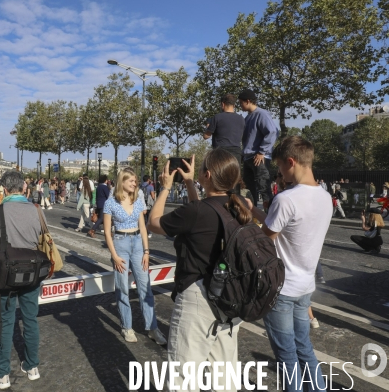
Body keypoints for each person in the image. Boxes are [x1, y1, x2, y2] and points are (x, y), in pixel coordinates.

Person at [147, 150, 248, 390]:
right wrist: (192, 182)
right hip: (231, 297)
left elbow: (154, 222)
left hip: (198, 297)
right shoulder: (241, 207)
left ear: (208, 175)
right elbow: (203, 212)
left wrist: (165, 187)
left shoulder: (197, 212)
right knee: (224, 379)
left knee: (184, 378)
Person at [249, 136, 331, 391]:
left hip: (281, 288)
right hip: (305, 286)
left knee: (286, 357)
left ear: (291, 162)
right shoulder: (325, 197)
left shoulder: (286, 199)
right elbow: (281, 226)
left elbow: (265, 239)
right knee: (304, 348)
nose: (279, 172)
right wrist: (253, 209)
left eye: (280, 167)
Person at [0, 171, 45, 388]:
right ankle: (32, 365)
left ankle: (2, 373)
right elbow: (41, 237)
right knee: (30, 319)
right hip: (32, 271)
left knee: (6, 321)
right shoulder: (37, 210)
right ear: (24, 188)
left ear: (5, 190)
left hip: (5, 274)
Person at [103, 167, 167, 346]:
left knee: (145, 287)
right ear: (122, 181)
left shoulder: (138, 200)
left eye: (135, 181)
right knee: (122, 288)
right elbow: (107, 232)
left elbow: (144, 227)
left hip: (138, 243)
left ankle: (152, 328)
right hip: (120, 244)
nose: (134, 183)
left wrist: (147, 251)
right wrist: (114, 256)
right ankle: (127, 327)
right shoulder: (111, 203)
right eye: (131, 180)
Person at [239, 89, 278, 210]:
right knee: (250, 190)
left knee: (264, 187)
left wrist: (262, 151)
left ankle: (270, 218)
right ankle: (252, 217)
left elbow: (272, 132)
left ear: (248, 101)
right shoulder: (248, 117)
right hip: (248, 158)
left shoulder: (262, 114)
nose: (240, 106)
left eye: (241, 102)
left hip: (259, 157)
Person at [203, 93, 245, 166]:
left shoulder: (217, 117)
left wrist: (208, 127)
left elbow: (206, 136)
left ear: (222, 104)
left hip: (220, 153)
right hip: (236, 153)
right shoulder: (241, 119)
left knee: (219, 175)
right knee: (234, 176)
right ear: (234, 105)